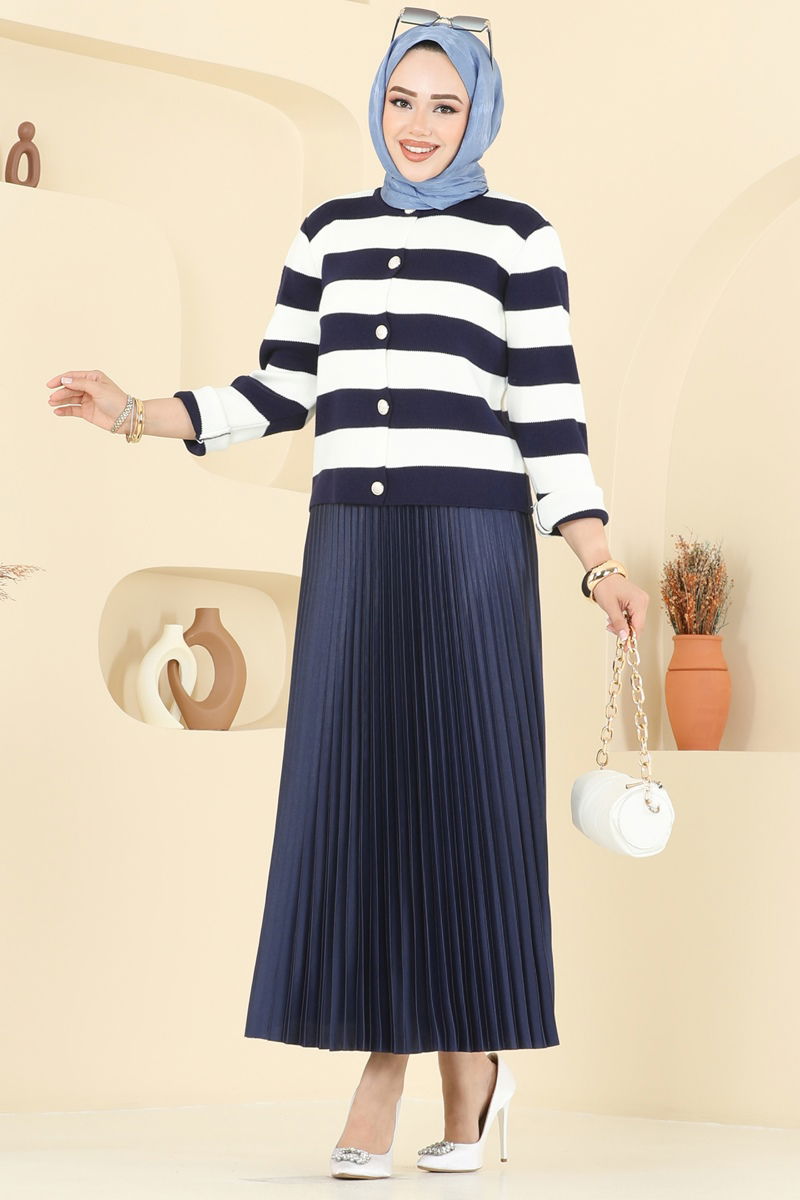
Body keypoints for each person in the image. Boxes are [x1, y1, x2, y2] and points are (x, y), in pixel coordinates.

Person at [45, 15, 649, 1180]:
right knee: (358, 799)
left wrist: (596, 560)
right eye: (400, 100)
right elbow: (277, 390)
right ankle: (401, 1063)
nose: (417, 125)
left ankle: (455, 1065)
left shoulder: (518, 237)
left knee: (469, 801)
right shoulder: (329, 231)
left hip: (470, 548)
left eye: (444, 106)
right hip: (353, 549)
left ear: (477, 115)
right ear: (376, 103)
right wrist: (133, 412)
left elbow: (548, 415)